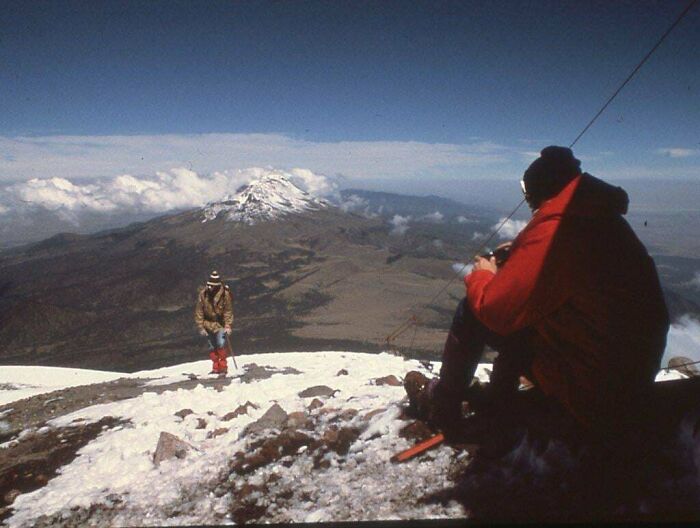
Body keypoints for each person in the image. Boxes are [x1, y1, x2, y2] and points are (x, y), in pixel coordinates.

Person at [410, 146, 670, 442]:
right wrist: (521, 253)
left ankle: (444, 404)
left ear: (538, 190)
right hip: (626, 375)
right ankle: (498, 399)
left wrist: (483, 273)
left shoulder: (561, 229)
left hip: (593, 391)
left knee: (472, 310)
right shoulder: (597, 217)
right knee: (531, 318)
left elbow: (496, 312)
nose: (528, 202)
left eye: (528, 194)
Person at [194, 270, 234, 376]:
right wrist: (201, 326)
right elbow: (199, 311)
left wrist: (228, 325)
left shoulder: (225, 295)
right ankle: (216, 367)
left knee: (220, 344)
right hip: (208, 324)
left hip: (220, 324)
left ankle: (223, 367)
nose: (210, 287)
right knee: (212, 346)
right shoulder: (203, 295)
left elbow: (228, 311)